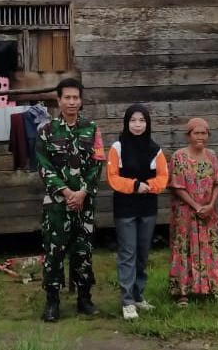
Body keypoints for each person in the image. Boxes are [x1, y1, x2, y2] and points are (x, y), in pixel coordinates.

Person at [36, 78, 103, 322]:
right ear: (59, 100)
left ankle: (84, 299)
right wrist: (66, 193)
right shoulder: (46, 131)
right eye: (67, 97)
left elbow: (97, 164)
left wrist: (83, 192)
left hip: (84, 205)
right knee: (54, 253)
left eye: (76, 97)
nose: (72, 102)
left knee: (83, 251)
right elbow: (43, 167)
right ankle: (52, 302)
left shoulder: (93, 129)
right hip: (56, 204)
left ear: (81, 100)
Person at [106, 104, 168, 320]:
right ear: (126, 122)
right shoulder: (117, 147)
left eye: (142, 120)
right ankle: (127, 302)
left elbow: (163, 176)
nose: (137, 125)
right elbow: (112, 177)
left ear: (147, 123)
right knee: (128, 254)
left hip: (148, 208)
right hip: (125, 208)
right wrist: (134, 186)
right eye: (133, 120)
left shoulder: (155, 149)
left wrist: (150, 186)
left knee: (142, 254)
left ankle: (138, 295)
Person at [168, 117, 218, 305]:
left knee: (209, 247)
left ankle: (210, 289)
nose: (200, 137)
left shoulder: (212, 155)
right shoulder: (179, 156)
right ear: (188, 135)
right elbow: (176, 185)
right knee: (184, 248)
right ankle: (182, 292)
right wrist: (196, 206)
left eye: (204, 133)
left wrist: (210, 205)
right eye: (196, 133)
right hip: (185, 213)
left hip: (209, 212)